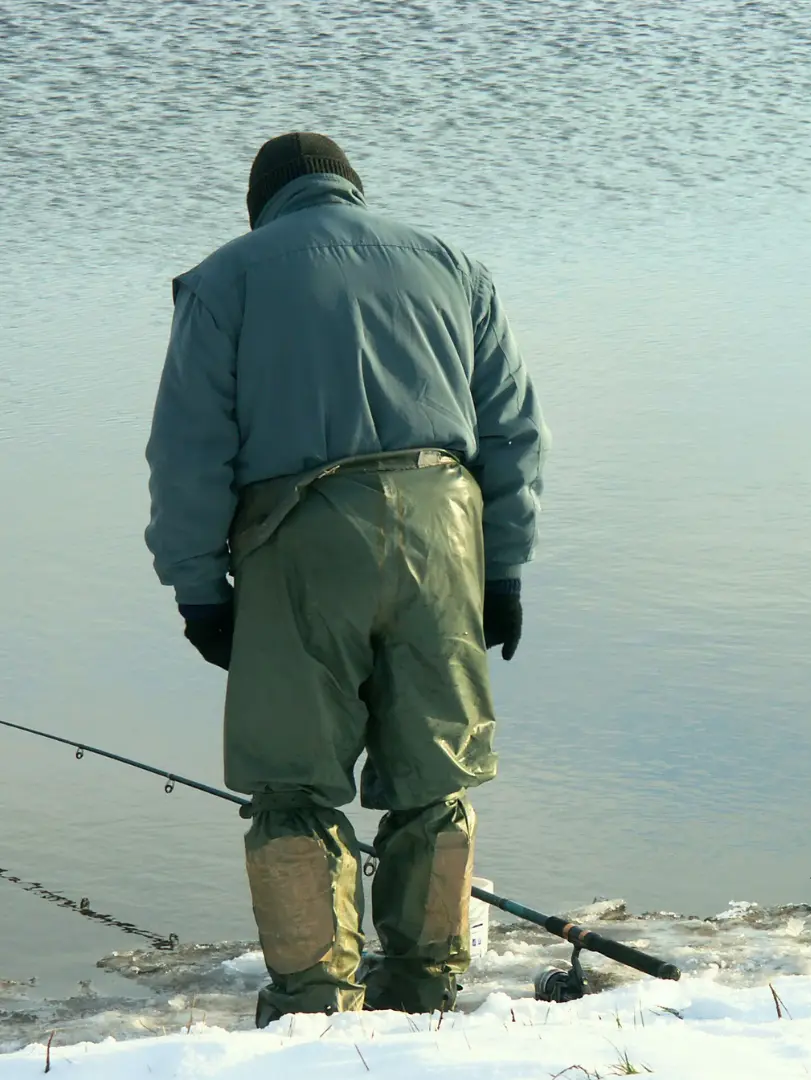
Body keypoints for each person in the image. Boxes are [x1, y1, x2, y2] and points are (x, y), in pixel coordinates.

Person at [144, 132, 549, 1025]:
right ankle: (427, 993)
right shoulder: (452, 266)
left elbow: (189, 451)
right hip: (444, 534)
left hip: (302, 538)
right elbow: (515, 432)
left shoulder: (225, 279)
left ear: (262, 206)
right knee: (435, 776)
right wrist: (505, 569)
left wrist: (198, 587)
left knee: (293, 783)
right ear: (352, 189)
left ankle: (316, 1004)